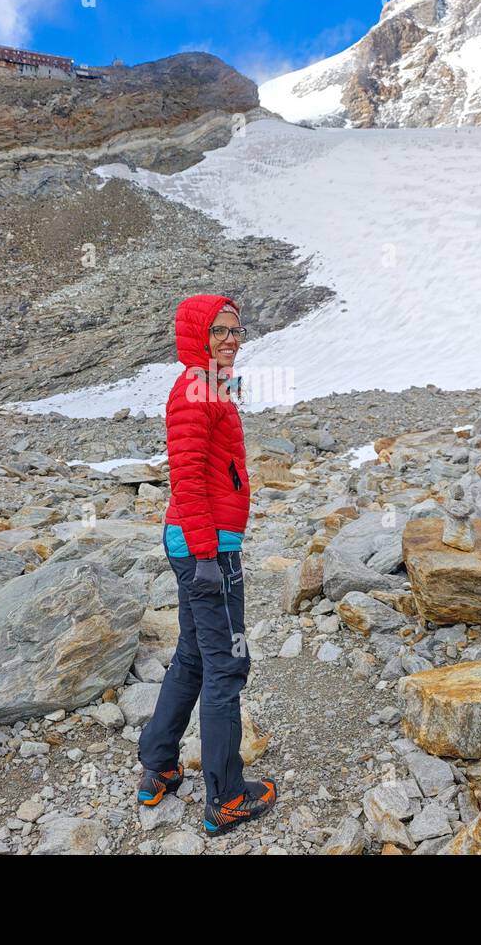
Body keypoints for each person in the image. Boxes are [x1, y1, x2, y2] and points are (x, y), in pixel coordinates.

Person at [136, 293, 278, 836]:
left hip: (200, 542)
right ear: (197, 334)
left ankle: (159, 766)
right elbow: (187, 479)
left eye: (236, 331)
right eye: (219, 331)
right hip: (207, 548)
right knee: (227, 664)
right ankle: (225, 797)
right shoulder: (196, 390)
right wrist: (205, 557)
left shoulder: (210, 386)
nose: (231, 340)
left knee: (195, 654)